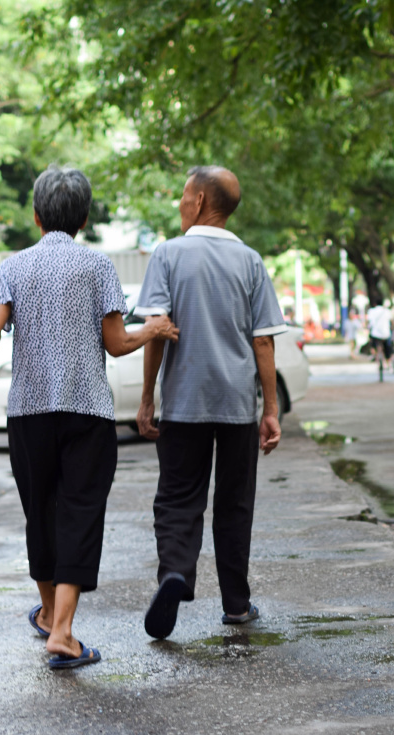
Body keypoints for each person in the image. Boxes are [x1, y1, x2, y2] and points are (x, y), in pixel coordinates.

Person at [0, 166, 178, 670]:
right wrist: (153, 330)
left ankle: (52, 613)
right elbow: (117, 345)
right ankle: (63, 632)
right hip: (87, 412)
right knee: (79, 513)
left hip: (28, 414)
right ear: (86, 217)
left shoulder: (12, 267)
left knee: (40, 513)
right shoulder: (97, 267)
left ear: (35, 216)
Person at [135, 165, 286, 641]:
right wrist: (270, 409)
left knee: (178, 498)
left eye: (183, 196)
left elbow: (157, 331)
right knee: (235, 502)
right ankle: (236, 605)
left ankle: (175, 574)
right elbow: (264, 342)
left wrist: (147, 398)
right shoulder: (251, 261)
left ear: (199, 200)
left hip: (183, 402)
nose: (180, 204)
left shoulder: (168, 255)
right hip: (238, 403)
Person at [366, 300, 393, 368]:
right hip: (386, 334)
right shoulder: (387, 311)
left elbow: (368, 322)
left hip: (375, 334)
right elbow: (392, 322)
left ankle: (375, 355)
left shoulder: (371, 311)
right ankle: (388, 363)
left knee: (373, 345)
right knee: (387, 348)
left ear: (375, 304)